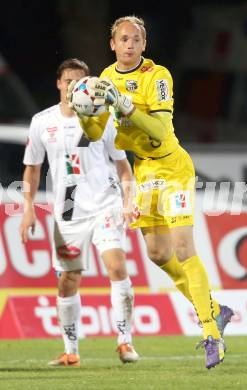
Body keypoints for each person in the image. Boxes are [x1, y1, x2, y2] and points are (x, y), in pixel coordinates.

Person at [68, 16, 234, 369]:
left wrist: (124, 104)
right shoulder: (106, 80)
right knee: (158, 254)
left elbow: (159, 129)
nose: (130, 44)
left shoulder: (157, 77)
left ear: (144, 45)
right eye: (123, 39)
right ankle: (217, 310)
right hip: (144, 171)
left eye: (137, 39)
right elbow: (97, 133)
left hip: (172, 166)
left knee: (184, 247)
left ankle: (211, 334)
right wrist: (84, 113)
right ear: (112, 44)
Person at [20, 58, 139, 367]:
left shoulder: (104, 117)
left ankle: (125, 342)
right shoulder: (42, 122)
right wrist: (28, 209)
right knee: (68, 280)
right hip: (68, 209)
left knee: (116, 266)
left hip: (104, 203)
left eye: (80, 81)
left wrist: (128, 200)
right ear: (59, 84)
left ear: (88, 85)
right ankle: (71, 350)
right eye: (68, 81)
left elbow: (123, 166)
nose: (73, 86)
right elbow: (32, 169)